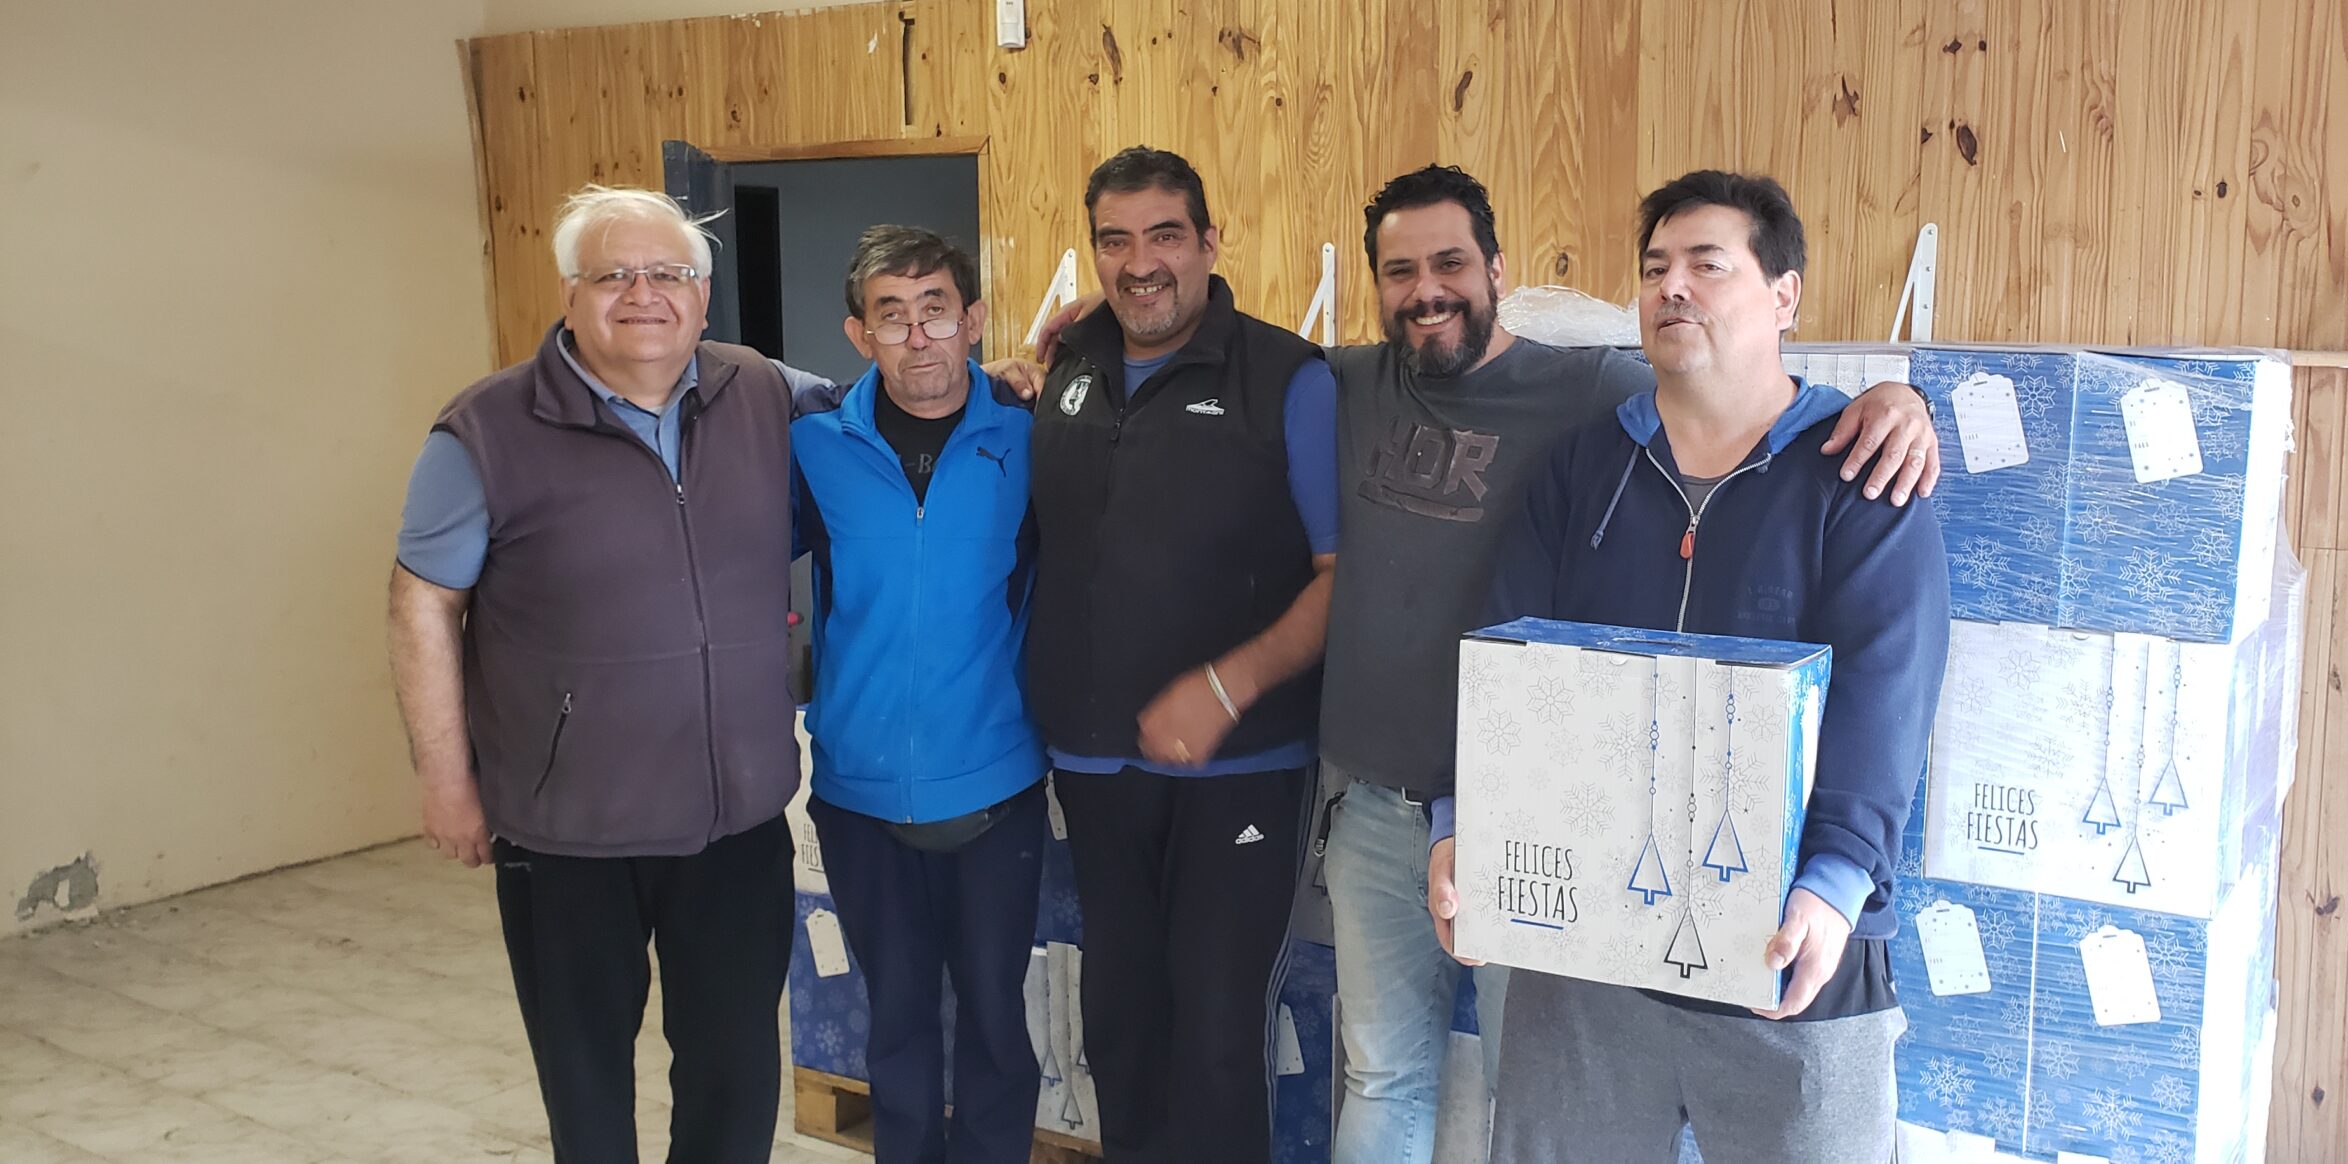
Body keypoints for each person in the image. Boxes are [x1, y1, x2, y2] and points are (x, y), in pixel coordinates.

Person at [1318, 164, 1940, 1163]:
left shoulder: (1854, 474)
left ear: (1784, 295)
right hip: (1588, 958)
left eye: (1707, 264)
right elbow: (1506, 662)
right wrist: (1460, 818)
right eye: (1654, 269)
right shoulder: (1585, 466)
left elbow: (1886, 698)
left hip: (1792, 947)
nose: (1672, 287)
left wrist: (1836, 882)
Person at [387, 185, 828, 1163]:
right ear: (569, 293)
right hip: (568, 830)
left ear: (702, 295)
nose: (643, 294)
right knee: (585, 1085)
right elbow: (423, 604)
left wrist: (1007, 374)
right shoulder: (485, 431)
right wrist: (446, 778)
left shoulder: (764, 392)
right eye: (613, 275)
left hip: (734, 819)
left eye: (668, 273)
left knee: (733, 1074)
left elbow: (895, 414)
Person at [1023, 146, 1337, 1164]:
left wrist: (1228, 685)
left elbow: (1341, 575)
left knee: (1214, 1040)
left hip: (1240, 771)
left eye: (1165, 235)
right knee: (1121, 1028)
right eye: (1114, 240)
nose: (1140, 262)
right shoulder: (1068, 367)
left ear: (1209, 241)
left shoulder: (1287, 377)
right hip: (1096, 764)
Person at [790, 226, 1049, 1164]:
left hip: (994, 786)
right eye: (891, 316)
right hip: (857, 793)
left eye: (935, 310)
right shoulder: (811, 446)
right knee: (895, 1022)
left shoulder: (1031, 436)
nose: (917, 336)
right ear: (860, 335)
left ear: (972, 320)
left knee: (993, 1020)